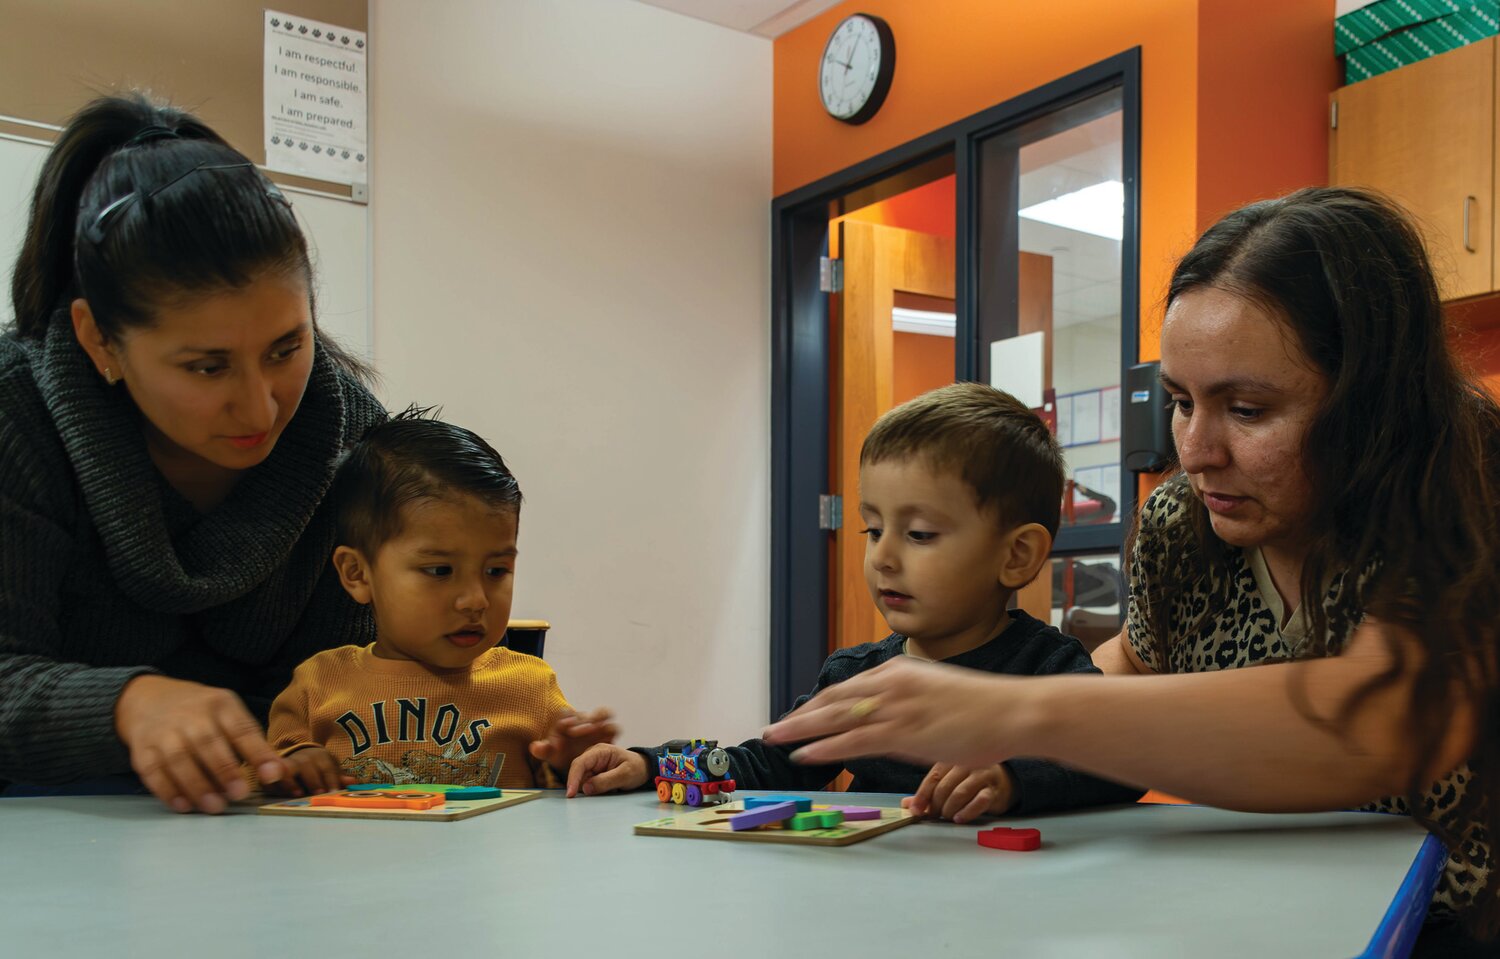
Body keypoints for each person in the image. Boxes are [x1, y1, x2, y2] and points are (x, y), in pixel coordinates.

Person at [762, 188, 1500, 950]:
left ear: (1370, 403)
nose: (1196, 449)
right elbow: (1135, 667)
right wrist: (1010, 757)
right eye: (1181, 401)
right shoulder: (1184, 522)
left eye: (1247, 409)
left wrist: (1012, 711)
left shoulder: (1465, 478)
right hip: (1278, 901)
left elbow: (1385, 719)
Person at [0, 93, 385, 814]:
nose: (261, 405)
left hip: (278, 844)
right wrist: (126, 703)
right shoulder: (14, 416)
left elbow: (370, 678)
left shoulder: (359, 443)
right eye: (207, 368)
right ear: (99, 342)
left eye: (286, 348)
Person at [567, 383, 1142, 820]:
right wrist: (650, 765)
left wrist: (1012, 780)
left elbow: (1118, 763)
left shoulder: (1049, 668)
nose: (884, 557)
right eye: (873, 530)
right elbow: (767, 761)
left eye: (918, 534)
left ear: (1016, 556)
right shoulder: (858, 675)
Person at [266, 412, 615, 792]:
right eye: (440, 571)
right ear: (357, 574)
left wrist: (571, 763)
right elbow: (263, 789)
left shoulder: (530, 687)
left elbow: (561, 811)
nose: (475, 600)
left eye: (496, 571)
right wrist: (294, 767)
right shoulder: (316, 685)